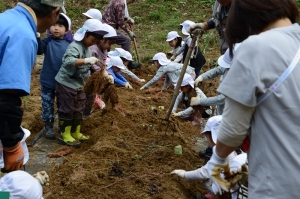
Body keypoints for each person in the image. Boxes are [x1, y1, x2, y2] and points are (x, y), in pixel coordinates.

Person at [205, 0, 300, 198]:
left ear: (245, 24)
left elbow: (232, 132)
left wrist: (218, 158)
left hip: (279, 184)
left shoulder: (255, 47)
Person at [0, 0, 65, 172]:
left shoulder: (5, 20)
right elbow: (6, 95)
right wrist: (12, 145)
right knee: (9, 184)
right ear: (54, 11)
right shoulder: (23, 35)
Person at [55, 19, 108, 147]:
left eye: (96, 42)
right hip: (66, 83)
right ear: (85, 34)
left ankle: (75, 132)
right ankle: (65, 134)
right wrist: (85, 60)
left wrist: (104, 74)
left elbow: (90, 66)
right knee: (67, 108)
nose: (93, 43)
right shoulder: (74, 46)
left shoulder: (87, 49)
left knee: (79, 108)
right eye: (92, 40)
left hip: (79, 84)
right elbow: (68, 61)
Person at [170, 115, 246, 199]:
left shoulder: (223, 155)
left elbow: (204, 172)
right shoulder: (234, 150)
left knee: (207, 181)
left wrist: (185, 174)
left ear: (213, 136)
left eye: (206, 137)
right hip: (238, 191)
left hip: (231, 194)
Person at [191, 43, 240, 159]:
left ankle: (225, 155)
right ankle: (210, 151)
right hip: (222, 108)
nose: (226, 67)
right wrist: (202, 77)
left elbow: (221, 99)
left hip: (231, 110)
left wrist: (201, 101)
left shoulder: (238, 78)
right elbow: (218, 70)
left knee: (224, 133)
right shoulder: (229, 66)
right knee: (215, 128)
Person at [37, 13, 72, 140]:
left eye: (60, 26)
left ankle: (63, 126)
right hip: (47, 80)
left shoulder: (70, 45)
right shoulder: (47, 42)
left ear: (67, 30)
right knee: (47, 105)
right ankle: (49, 126)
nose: (56, 28)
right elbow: (39, 50)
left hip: (64, 82)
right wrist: (37, 36)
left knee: (63, 105)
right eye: (53, 25)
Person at [83, 23, 117, 118]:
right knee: (84, 96)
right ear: (102, 39)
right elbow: (93, 65)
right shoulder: (93, 49)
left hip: (94, 79)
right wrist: (104, 73)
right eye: (109, 43)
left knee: (91, 96)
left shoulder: (104, 50)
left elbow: (103, 64)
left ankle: (86, 114)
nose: (109, 46)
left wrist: (109, 74)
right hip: (86, 77)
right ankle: (81, 114)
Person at [102, 0, 141, 69]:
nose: (132, 2)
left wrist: (127, 19)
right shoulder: (120, 4)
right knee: (126, 40)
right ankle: (128, 63)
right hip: (109, 28)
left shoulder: (116, 1)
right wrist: (129, 32)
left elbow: (117, 15)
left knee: (107, 47)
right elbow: (120, 21)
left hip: (105, 25)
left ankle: (106, 62)